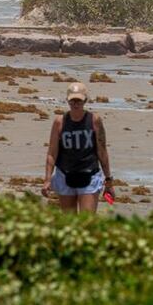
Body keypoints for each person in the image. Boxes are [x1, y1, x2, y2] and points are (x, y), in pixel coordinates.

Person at [41, 83, 113, 213]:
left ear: (85, 100)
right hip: (65, 175)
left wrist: (108, 180)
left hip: (89, 175)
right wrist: (47, 180)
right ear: (67, 100)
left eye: (79, 100)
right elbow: (52, 153)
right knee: (70, 222)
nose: (75, 103)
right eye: (72, 100)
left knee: (86, 221)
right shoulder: (59, 122)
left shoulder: (94, 120)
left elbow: (102, 151)